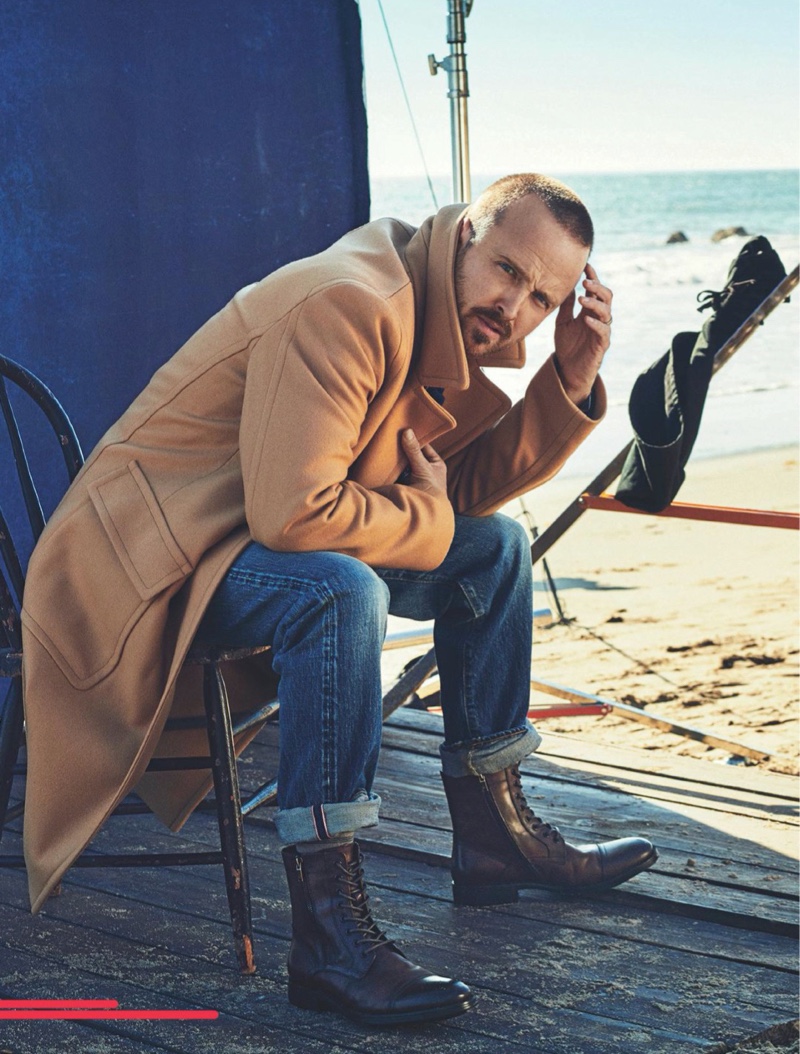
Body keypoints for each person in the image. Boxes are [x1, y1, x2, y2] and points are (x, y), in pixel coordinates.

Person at [21, 173, 657, 1027]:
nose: (516, 307)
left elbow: (452, 497)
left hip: (239, 536)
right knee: (340, 590)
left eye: (542, 298)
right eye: (508, 270)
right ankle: (329, 934)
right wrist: (427, 516)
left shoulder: (442, 322)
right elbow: (297, 516)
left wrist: (567, 379)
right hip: (145, 558)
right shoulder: (354, 304)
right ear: (468, 232)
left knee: (495, 550)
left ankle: (494, 835)